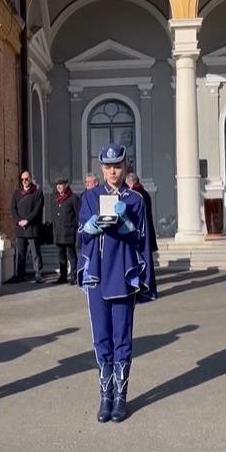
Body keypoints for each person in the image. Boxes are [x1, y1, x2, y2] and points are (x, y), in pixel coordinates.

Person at [78, 144, 157, 423]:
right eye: (108, 166)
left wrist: (127, 226)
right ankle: (105, 396)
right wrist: (90, 227)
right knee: (101, 337)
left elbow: (144, 240)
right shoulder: (90, 196)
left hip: (123, 274)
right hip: (97, 274)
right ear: (101, 168)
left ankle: (121, 396)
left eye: (118, 165)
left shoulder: (135, 200)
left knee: (122, 337)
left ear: (125, 166)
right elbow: (81, 234)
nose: (113, 171)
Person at [11, 170, 44, 283]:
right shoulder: (16, 193)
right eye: (22, 179)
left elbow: (37, 210)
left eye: (26, 179)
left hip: (32, 227)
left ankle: (38, 274)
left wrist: (27, 220)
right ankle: (20, 275)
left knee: (35, 253)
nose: (24, 181)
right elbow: (13, 209)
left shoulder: (37, 192)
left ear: (31, 179)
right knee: (20, 253)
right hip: (20, 228)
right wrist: (19, 221)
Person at [53, 178, 79, 285]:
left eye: (61, 184)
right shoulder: (56, 198)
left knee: (71, 256)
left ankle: (74, 276)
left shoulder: (73, 198)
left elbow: (77, 215)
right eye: (57, 185)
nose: (58, 187)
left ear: (66, 185)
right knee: (61, 256)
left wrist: (76, 229)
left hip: (69, 233)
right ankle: (63, 276)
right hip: (58, 233)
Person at [125, 172, 158, 252]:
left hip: (138, 229)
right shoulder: (144, 193)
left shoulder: (135, 195)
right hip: (146, 227)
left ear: (131, 183)